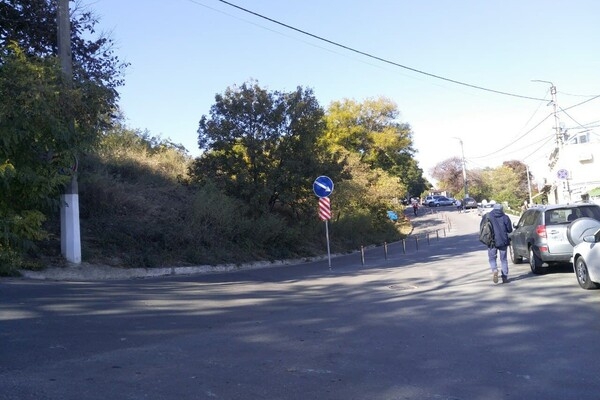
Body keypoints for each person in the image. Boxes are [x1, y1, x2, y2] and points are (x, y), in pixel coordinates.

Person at [481, 203, 513, 284]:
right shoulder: (505, 217)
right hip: (503, 241)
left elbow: (482, 227)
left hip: (491, 241)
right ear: (501, 209)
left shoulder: (488, 216)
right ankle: (504, 277)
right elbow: (509, 230)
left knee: (492, 258)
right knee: (503, 260)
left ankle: (494, 270)